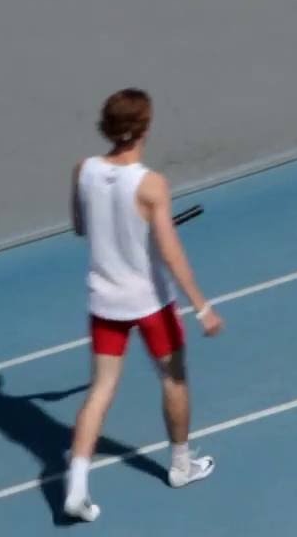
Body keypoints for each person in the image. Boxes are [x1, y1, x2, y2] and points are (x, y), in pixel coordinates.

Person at [64, 88, 224, 521]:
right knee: (174, 379)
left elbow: (81, 227)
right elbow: (170, 253)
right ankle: (181, 466)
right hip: (150, 303)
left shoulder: (83, 170)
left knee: (100, 390)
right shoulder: (152, 185)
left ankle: (76, 489)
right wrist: (202, 306)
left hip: (105, 302)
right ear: (145, 128)